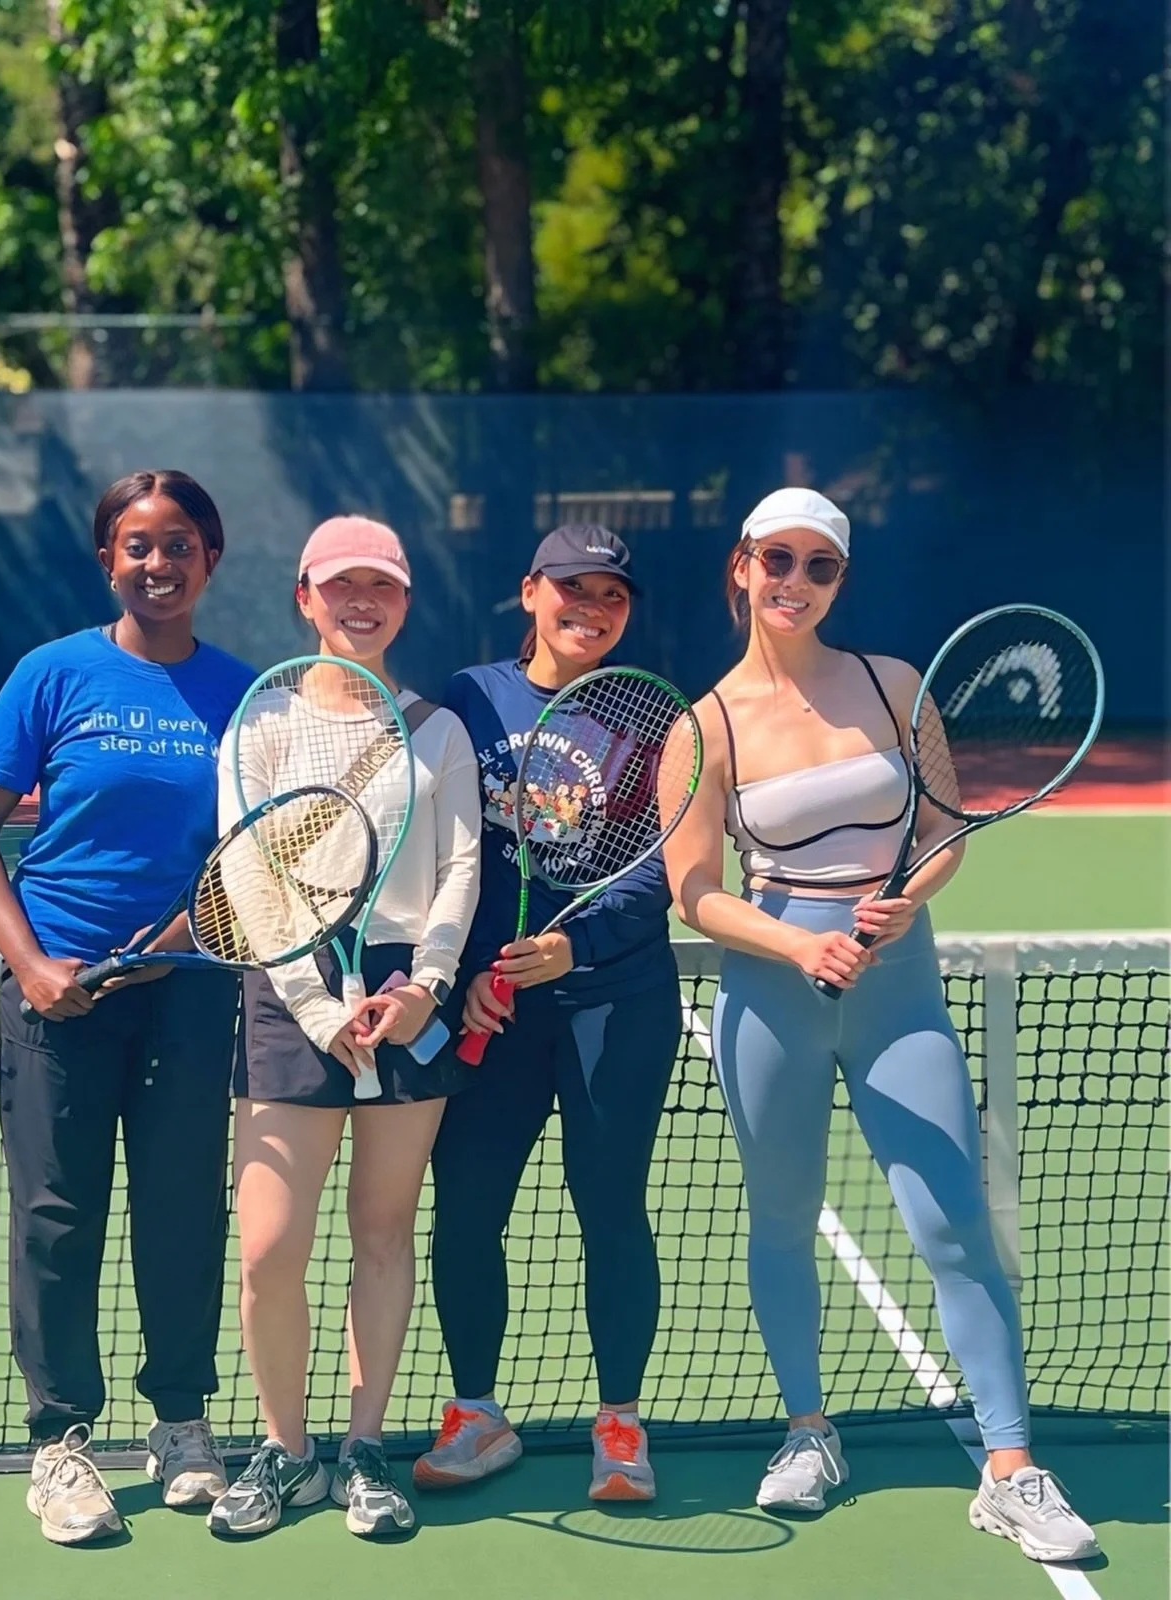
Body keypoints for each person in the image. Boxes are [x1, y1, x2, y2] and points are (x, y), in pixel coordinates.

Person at [660, 486, 1100, 1563]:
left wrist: (911, 892)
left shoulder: (892, 686)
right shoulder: (701, 724)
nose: (794, 582)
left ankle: (1008, 1466)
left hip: (899, 991)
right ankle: (807, 1430)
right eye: (776, 560)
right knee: (780, 1220)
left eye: (818, 566)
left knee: (950, 1219)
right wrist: (796, 943)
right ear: (740, 565)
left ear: (838, 580)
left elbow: (946, 831)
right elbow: (694, 890)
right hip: (770, 998)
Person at [0, 470, 257, 1544]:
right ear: (107, 561)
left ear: (209, 560)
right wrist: (31, 962)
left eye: (179, 544)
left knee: (181, 1210)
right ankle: (61, 1441)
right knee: (56, 1214)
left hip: (189, 998)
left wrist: (182, 941)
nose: (157, 563)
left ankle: (180, 1423)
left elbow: (258, 851)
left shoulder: (244, 693)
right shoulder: (52, 674)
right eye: (137, 545)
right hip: (58, 994)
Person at [206, 516, 480, 1541]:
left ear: (404, 599)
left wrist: (427, 987)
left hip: (409, 981)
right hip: (288, 988)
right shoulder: (260, 723)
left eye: (382, 585)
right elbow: (245, 875)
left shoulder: (438, 728)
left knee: (381, 1232)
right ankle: (285, 1448)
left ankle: (362, 1448)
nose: (360, 600)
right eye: (340, 584)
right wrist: (316, 1007)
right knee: (270, 1251)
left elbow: (459, 866)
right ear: (304, 597)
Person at [414, 525, 682, 1503]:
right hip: (492, 1007)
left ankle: (617, 1421)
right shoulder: (468, 696)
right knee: (468, 1210)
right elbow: (446, 845)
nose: (591, 607)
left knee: (609, 1206)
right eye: (571, 587)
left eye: (611, 594)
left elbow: (664, 866)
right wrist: (467, 971)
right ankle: (476, 1413)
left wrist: (577, 943)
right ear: (529, 591)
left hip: (615, 1002)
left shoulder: (653, 715)